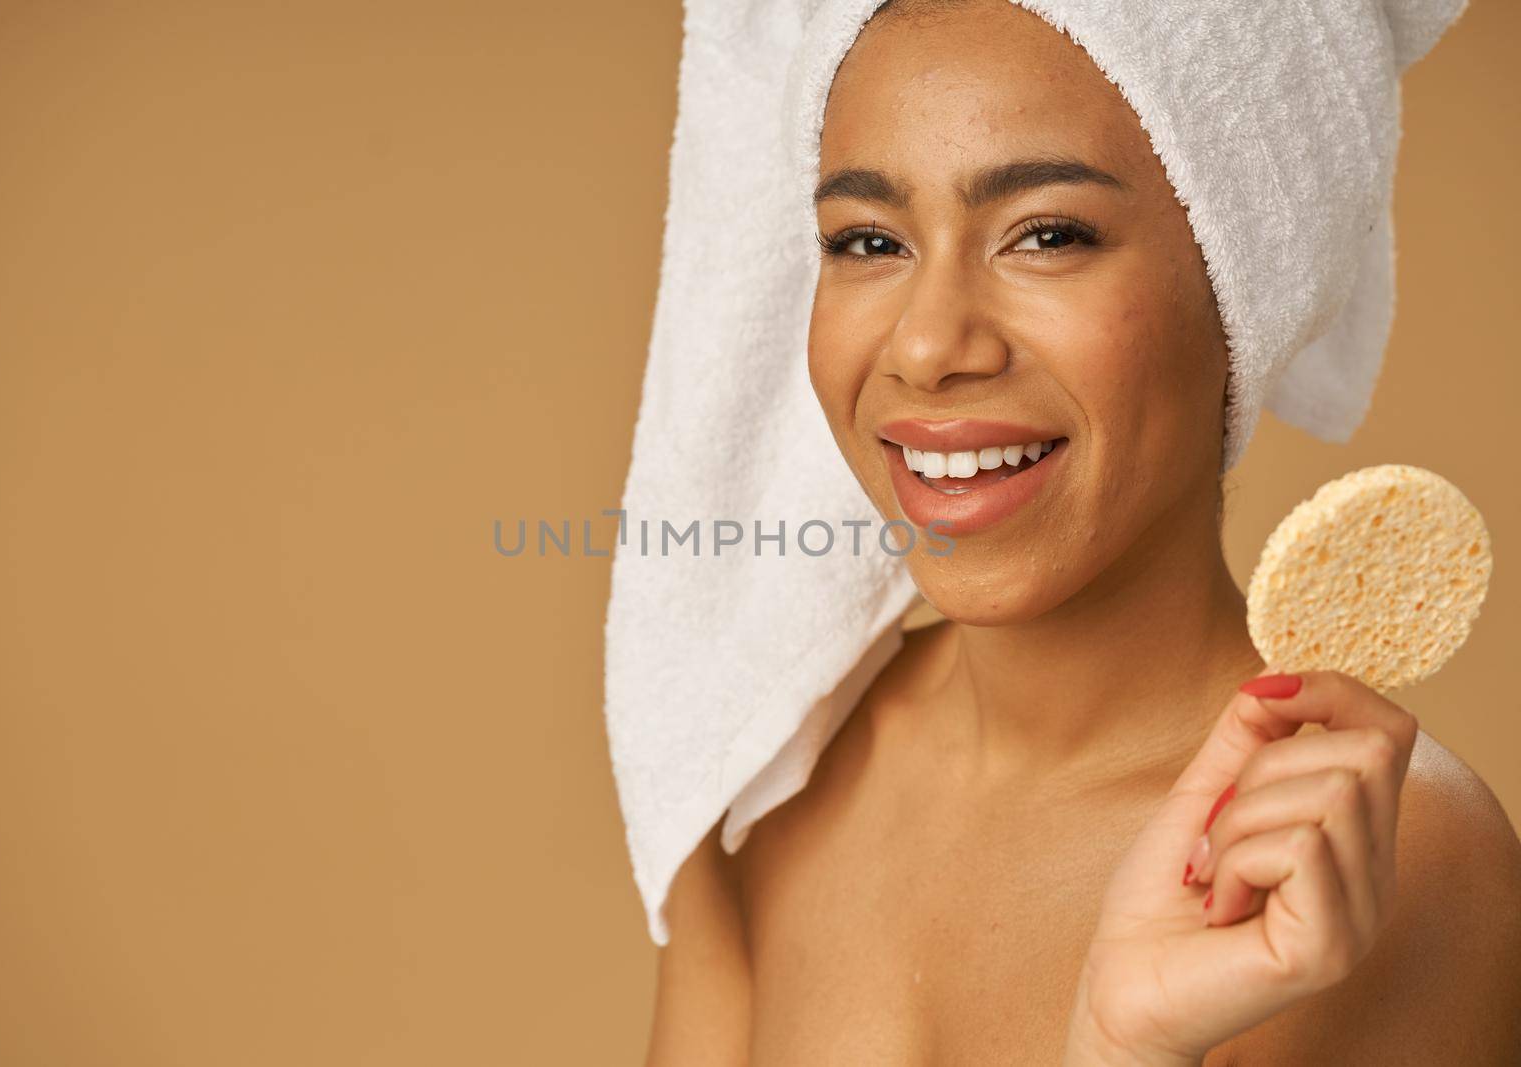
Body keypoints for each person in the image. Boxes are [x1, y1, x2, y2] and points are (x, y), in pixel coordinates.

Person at [643, 1, 1521, 1063]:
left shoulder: (1374, 856)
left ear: (1245, 277)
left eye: (1047, 235)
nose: (926, 345)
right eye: (868, 240)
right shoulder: (771, 777)